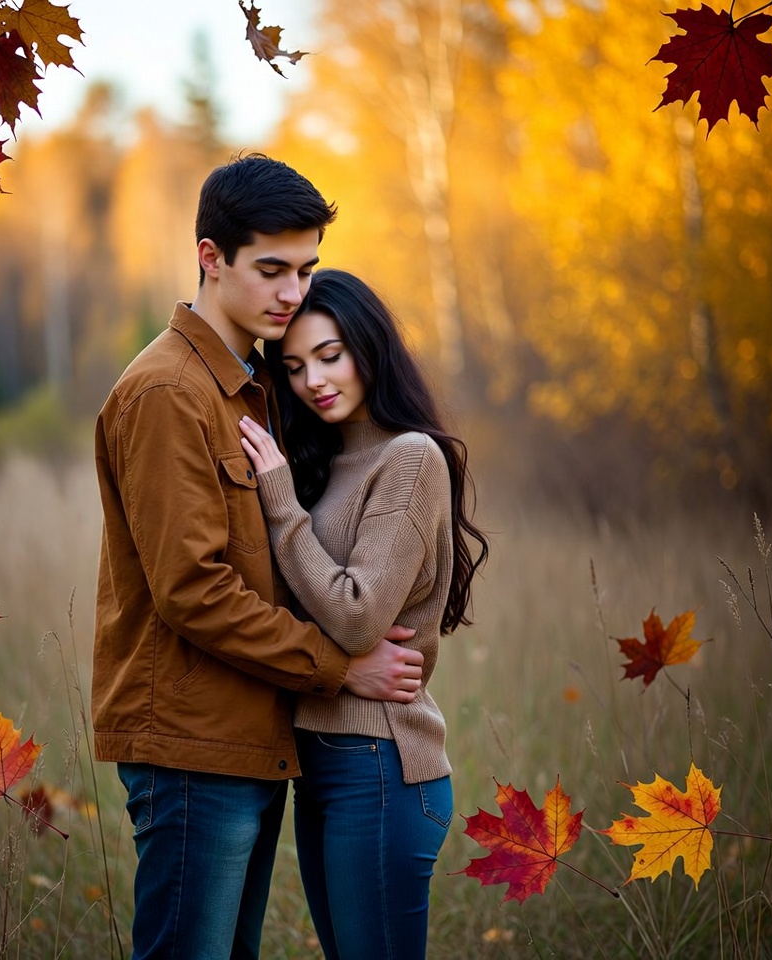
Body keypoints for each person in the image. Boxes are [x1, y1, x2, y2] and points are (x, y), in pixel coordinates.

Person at [91, 155, 426, 960]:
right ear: (211, 257)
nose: (292, 293)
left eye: (305, 270)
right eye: (271, 269)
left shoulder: (249, 386)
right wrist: (339, 667)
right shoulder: (170, 392)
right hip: (188, 746)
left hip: (242, 736)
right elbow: (193, 592)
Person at [238, 268, 489, 960]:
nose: (313, 380)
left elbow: (354, 619)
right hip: (321, 767)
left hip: (379, 768)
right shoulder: (330, 463)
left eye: (330, 355)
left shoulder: (409, 459)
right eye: (293, 367)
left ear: (369, 348)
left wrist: (280, 502)